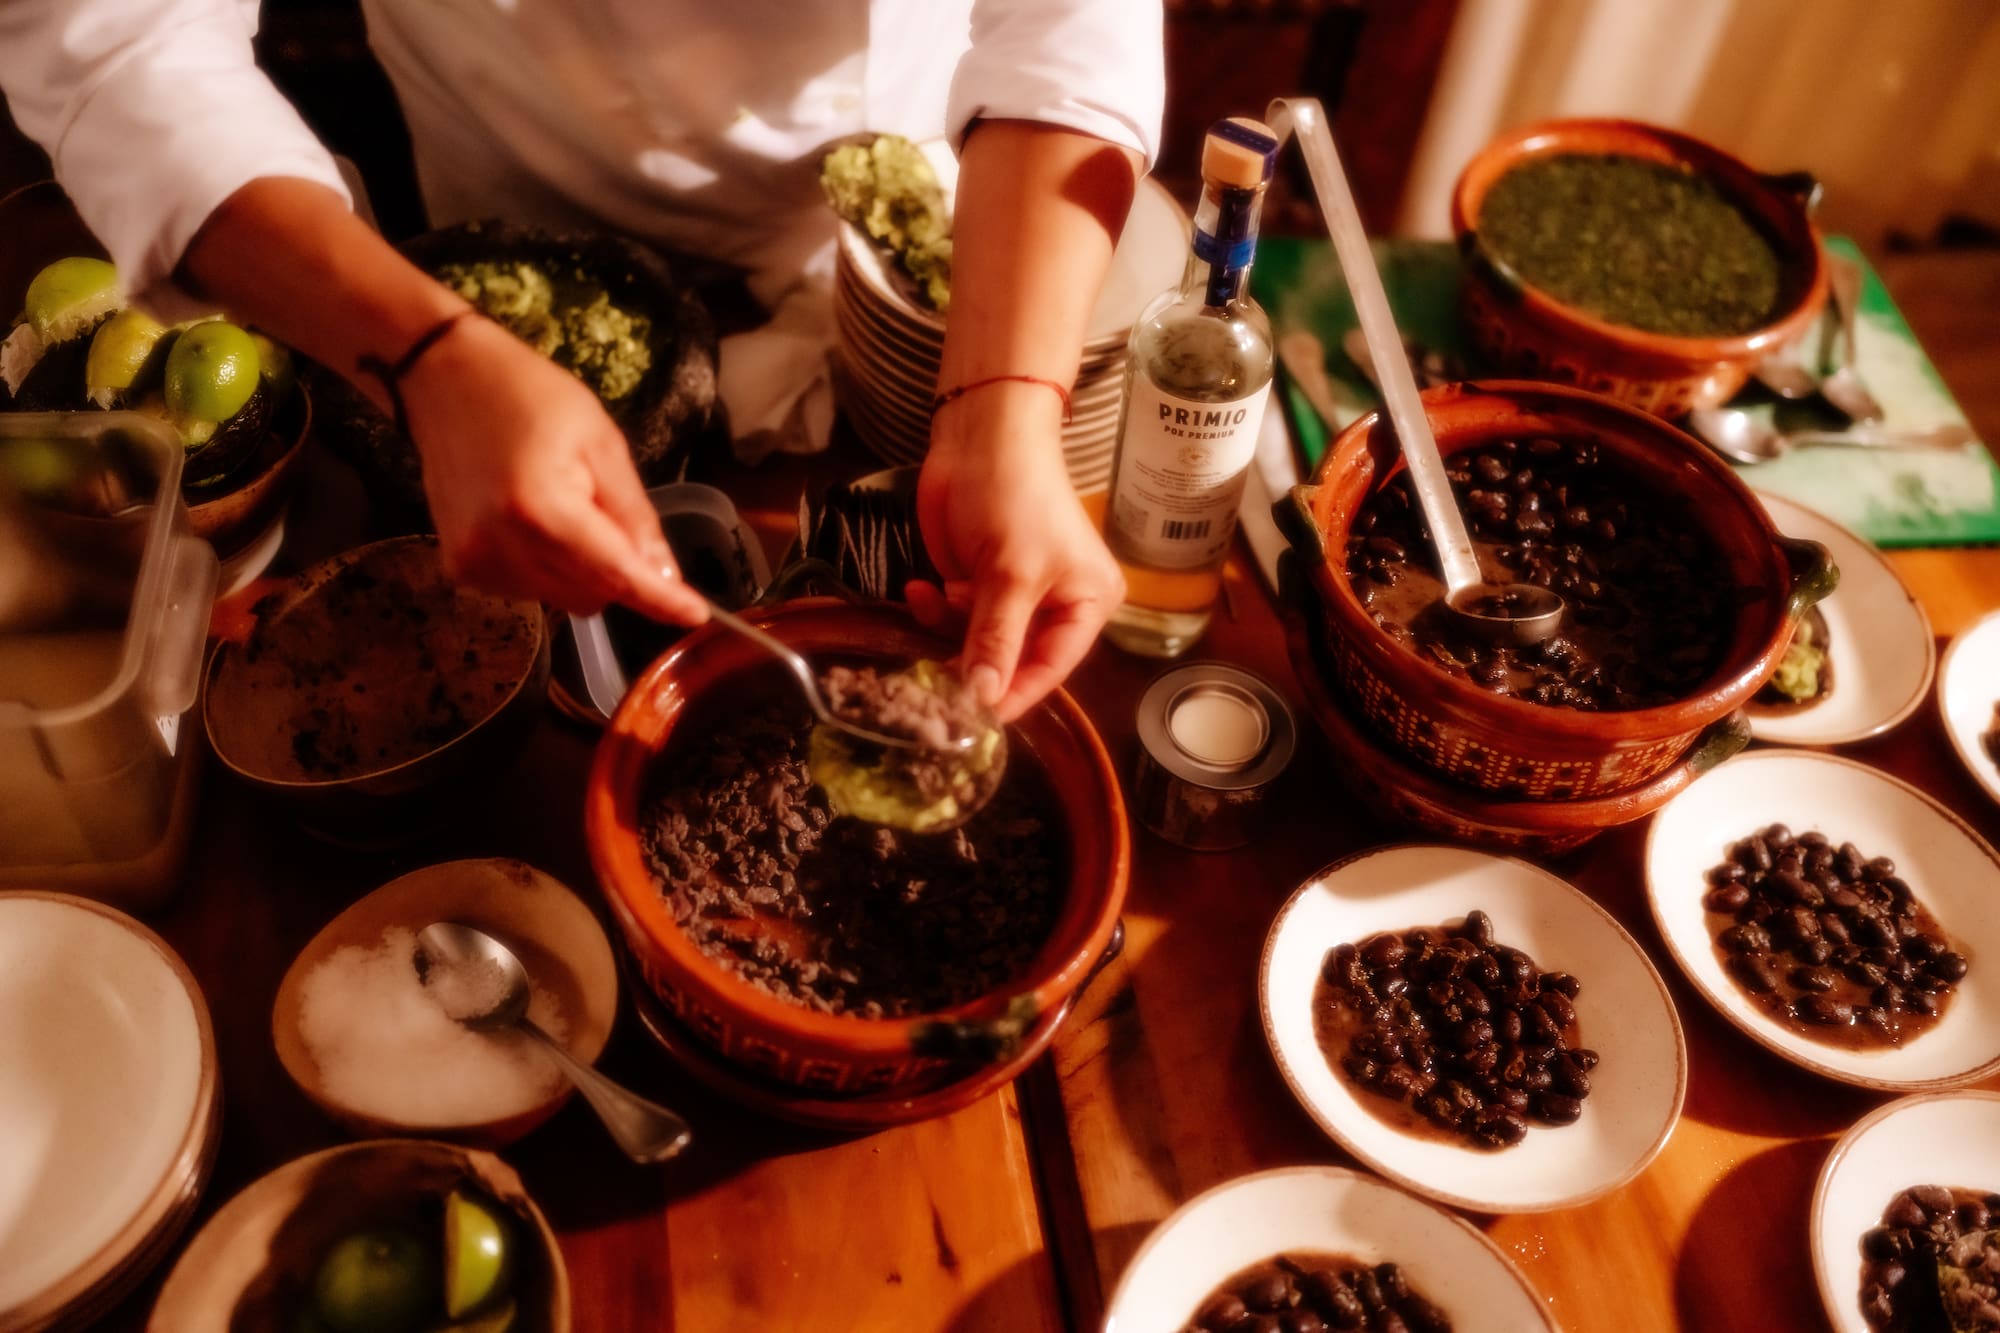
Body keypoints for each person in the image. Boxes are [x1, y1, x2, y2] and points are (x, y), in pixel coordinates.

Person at [0, 0, 1164, 719]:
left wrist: (1001, 413)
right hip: (494, 170)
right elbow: (115, 37)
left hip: (873, 215)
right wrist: (426, 359)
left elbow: (1070, 27)